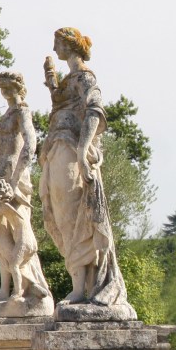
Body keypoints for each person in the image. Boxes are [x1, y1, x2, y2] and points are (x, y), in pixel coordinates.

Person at [39, 27, 133, 315]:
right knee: (59, 216)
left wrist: (83, 150)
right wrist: (52, 85)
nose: (55, 49)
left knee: (75, 217)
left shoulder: (85, 77)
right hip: (55, 150)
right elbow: (64, 105)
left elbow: (94, 110)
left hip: (69, 150)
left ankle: (82, 288)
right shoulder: (70, 79)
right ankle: (78, 284)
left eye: (57, 44)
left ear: (69, 45)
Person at [0, 71, 51, 315]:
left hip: (13, 178)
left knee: (20, 232)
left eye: (9, 87)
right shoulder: (9, 112)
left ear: (19, 87)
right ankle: (6, 288)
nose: (5, 92)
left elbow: (30, 144)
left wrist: (17, 177)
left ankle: (26, 286)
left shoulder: (22, 111)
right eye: (2, 87)